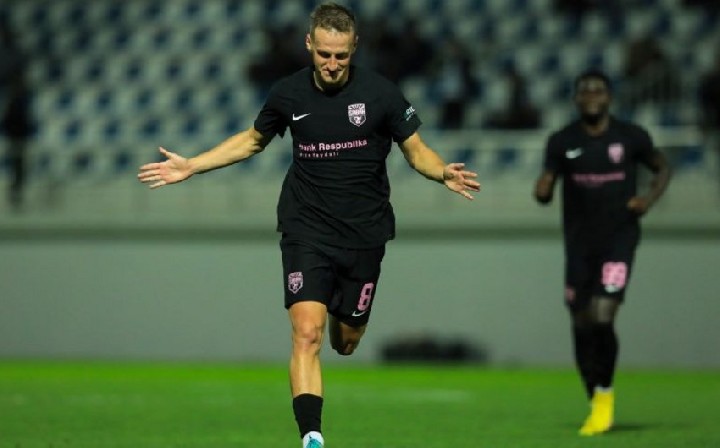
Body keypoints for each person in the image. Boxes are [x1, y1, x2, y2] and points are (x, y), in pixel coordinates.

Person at [137, 3, 480, 448]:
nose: (332, 64)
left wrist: (441, 172)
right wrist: (192, 166)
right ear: (309, 45)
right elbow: (252, 140)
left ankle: (344, 312)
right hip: (306, 229)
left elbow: (417, 151)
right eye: (323, 54)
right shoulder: (289, 94)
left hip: (364, 235)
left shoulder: (381, 94)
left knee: (346, 342)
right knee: (306, 333)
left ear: (354, 47)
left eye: (341, 55)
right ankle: (312, 437)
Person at [533, 69, 671, 436]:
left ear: (609, 97)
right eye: (585, 91)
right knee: (581, 324)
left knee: (602, 316)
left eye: (598, 90)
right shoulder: (562, 141)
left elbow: (662, 167)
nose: (591, 95)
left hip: (618, 240)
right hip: (579, 245)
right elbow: (546, 185)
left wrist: (648, 199)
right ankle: (595, 399)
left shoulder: (630, 137)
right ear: (576, 98)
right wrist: (543, 188)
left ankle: (605, 397)